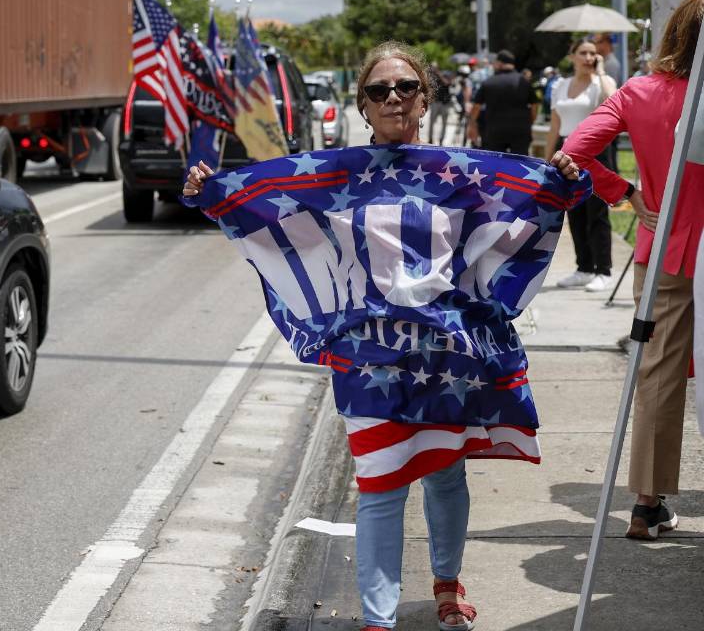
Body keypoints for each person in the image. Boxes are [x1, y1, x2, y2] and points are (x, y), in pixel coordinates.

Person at [185, 42, 582, 631]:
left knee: (447, 472)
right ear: (363, 107)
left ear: (425, 97)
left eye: (405, 88)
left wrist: (558, 185)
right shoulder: (334, 175)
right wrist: (213, 193)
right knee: (381, 484)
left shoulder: (461, 173)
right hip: (370, 358)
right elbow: (274, 215)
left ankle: (446, 585)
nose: (393, 98)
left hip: (446, 354)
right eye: (379, 91)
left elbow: (512, 220)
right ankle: (379, 621)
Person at [564, 0, 704, 541]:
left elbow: (572, 151)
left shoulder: (638, 92)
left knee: (658, 377)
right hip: (686, 244)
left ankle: (647, 502)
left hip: (665, 248)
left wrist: (624, 193)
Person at [547, 39, 617, 292]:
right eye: (583, 53)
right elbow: (555, 125)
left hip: (595, 150)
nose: (589, 57)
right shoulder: (560, 85)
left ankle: (603, 269)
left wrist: (600, 72)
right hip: (568, 150)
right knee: (574, 210)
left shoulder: (601, 83)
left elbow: (614, 100)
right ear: (572, 56)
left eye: (593, 53)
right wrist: (547, 160)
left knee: (597, 211)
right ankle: (584, 267)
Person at [469, 50, 539, 154]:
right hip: (520, 131)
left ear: (499, 63)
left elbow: (476, 106)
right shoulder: (524, 82)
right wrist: (531, 121)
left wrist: (472, 124)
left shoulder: (489, 82)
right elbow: (535, 105)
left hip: (494, 132)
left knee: (495, 166)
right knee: (520, 167)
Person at [427, 68, 453, 145]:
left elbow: (446, 83)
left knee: (444, 123)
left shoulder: (447, 76)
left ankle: (441, 140)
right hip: (436, 102)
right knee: (432, 122)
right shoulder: (435, 78)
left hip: (444, 104)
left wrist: (439, 74)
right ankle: (430, 139)